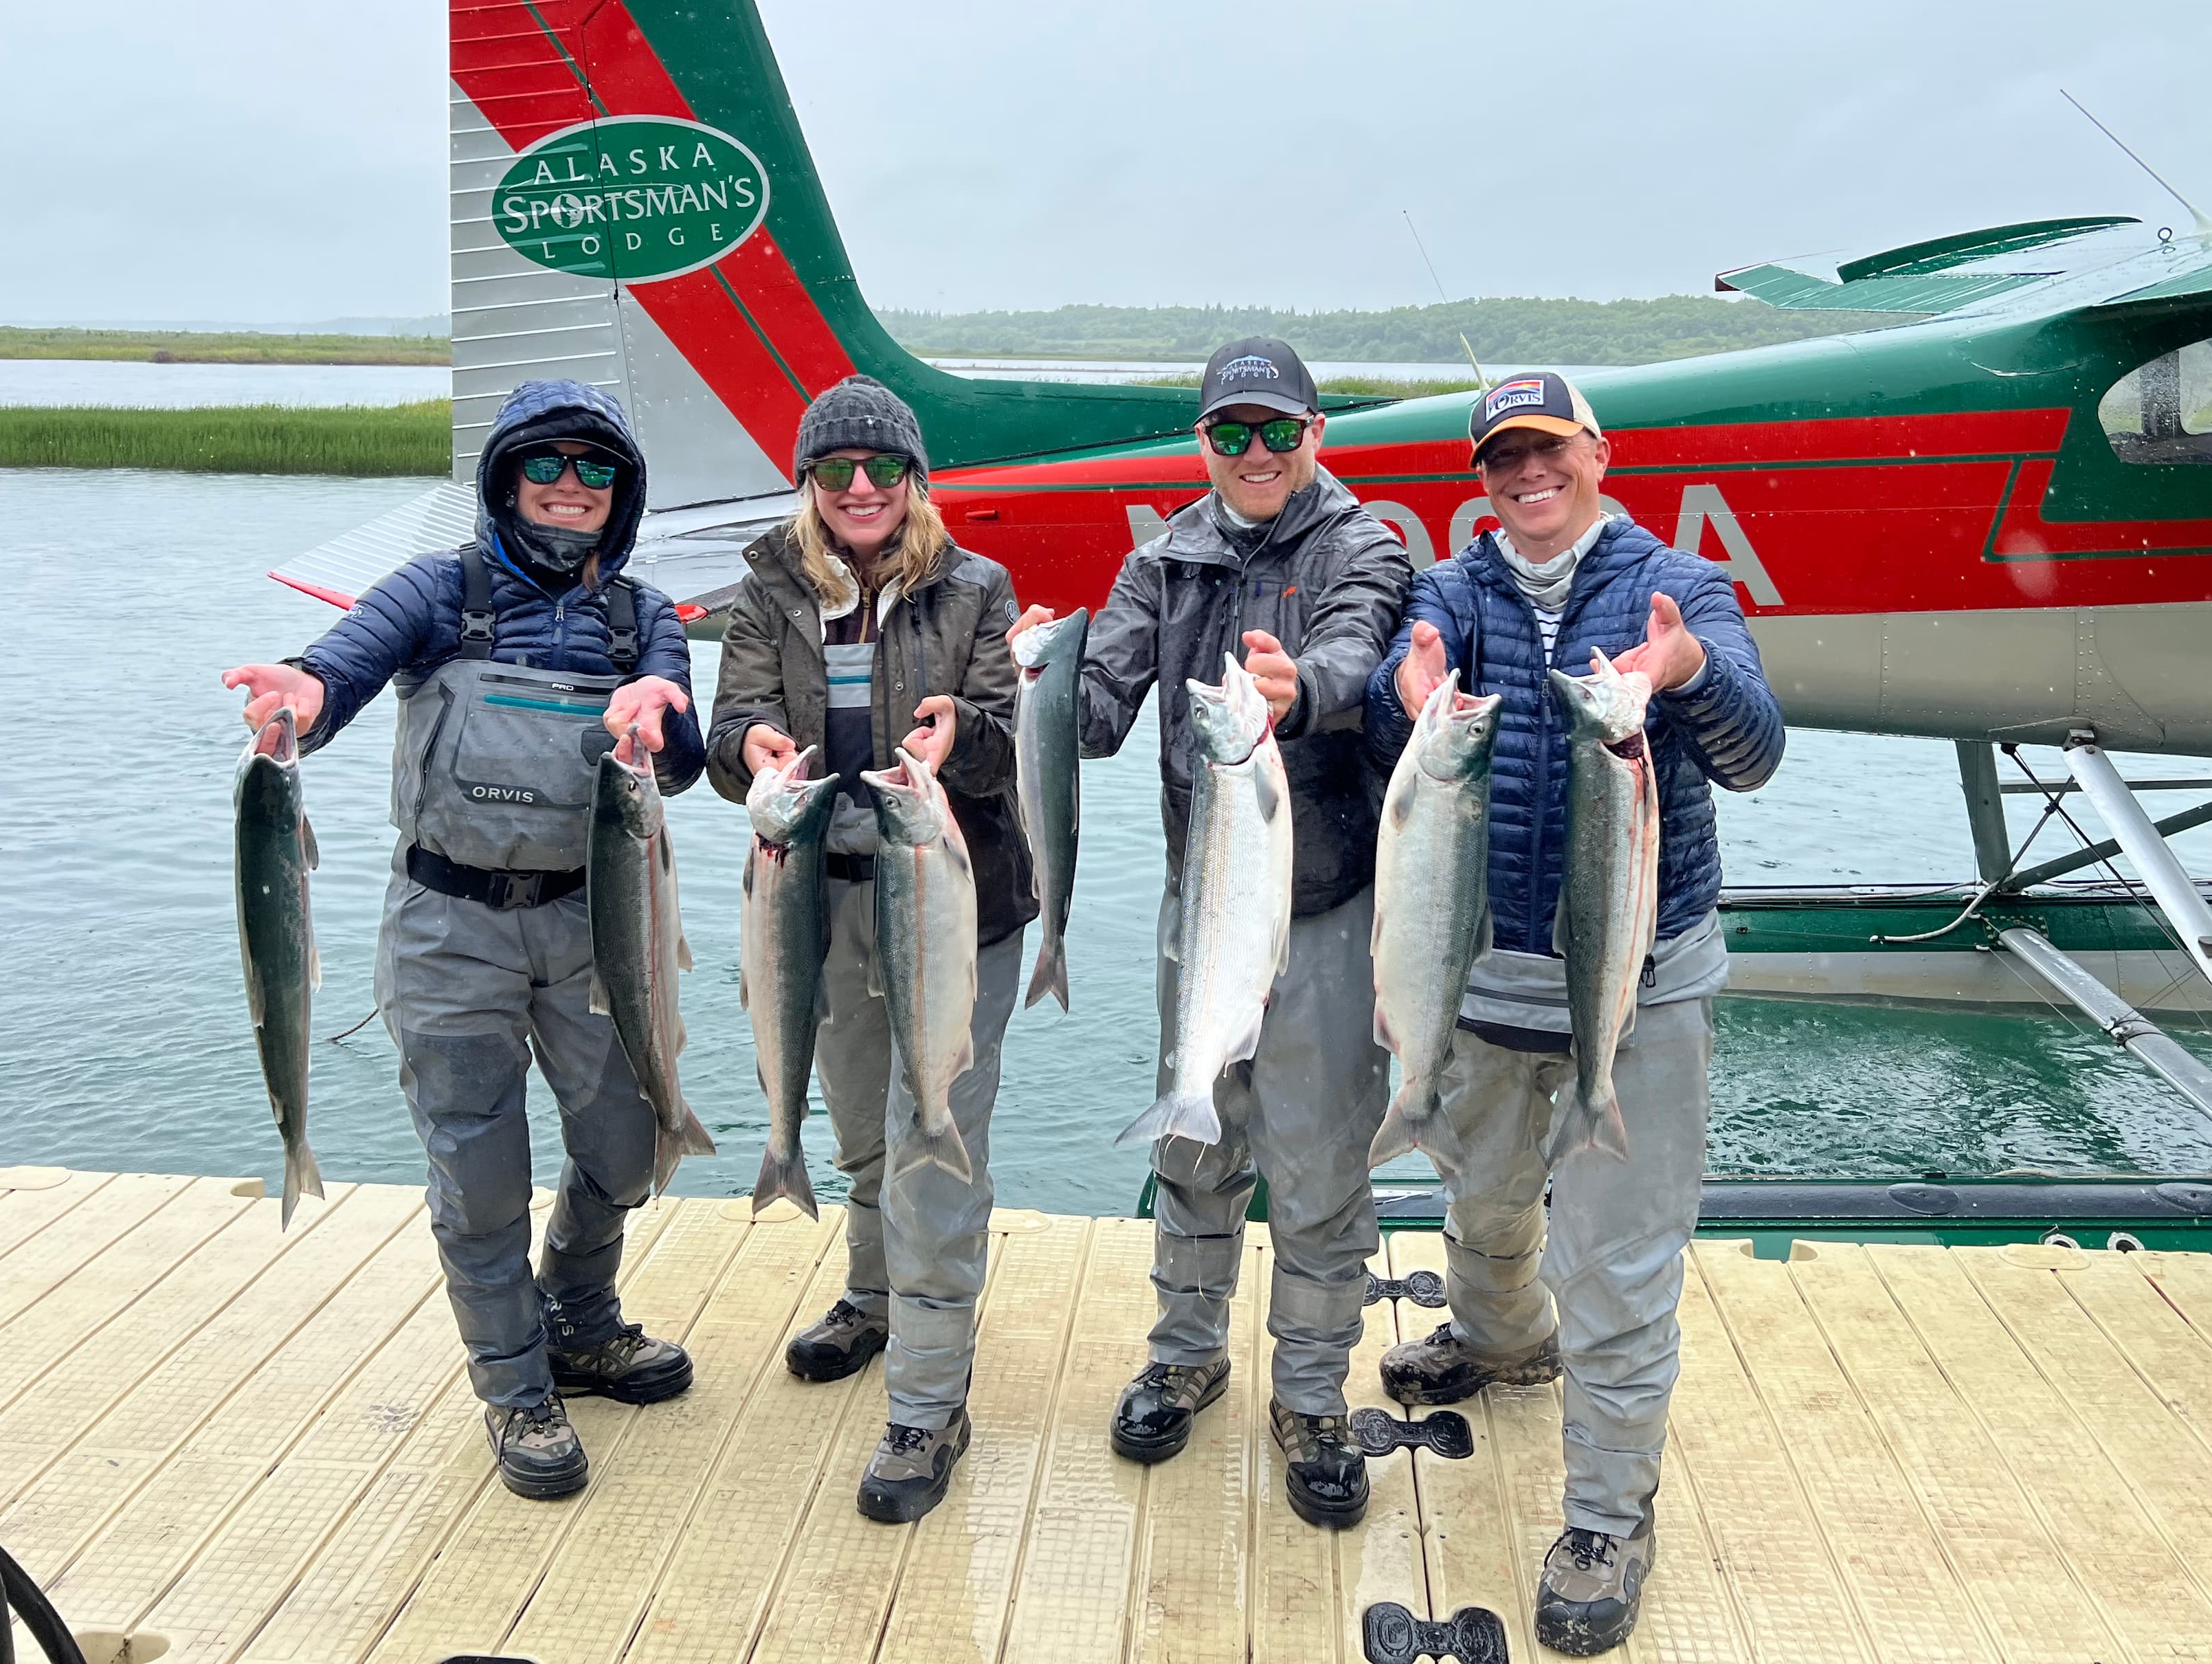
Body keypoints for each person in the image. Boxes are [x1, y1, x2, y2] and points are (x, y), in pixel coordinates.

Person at [222, 378, 707, 1502]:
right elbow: (340, 670)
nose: (570, 487)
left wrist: (658, 715)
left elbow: (681, 761)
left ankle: (580, 1320)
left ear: (622, 492)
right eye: (547, 464)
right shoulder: (437, 592)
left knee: (632, 1145)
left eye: (597, 468)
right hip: (450, 929)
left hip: (600, 923)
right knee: (480, 1170)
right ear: (504, 478)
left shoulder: (648, 616)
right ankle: (515, 1384)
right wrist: (304, 689)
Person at [1364, 371, 1784, 1654]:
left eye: (1549, 452)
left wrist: (1690, 672)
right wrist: (1411, 683)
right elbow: (1408, 667)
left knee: (1617, 1265)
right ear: (1482, 479)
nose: (1527, 478)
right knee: (1484, 1207)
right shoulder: (1455, 585)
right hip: (1485, 987)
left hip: (1638, 987)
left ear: (1600, 455)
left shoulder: (1678, 582)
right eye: (1503, 460)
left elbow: (1756, 752)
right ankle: (1500, 1343)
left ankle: (1607, 1516)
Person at [1012, 338, 1411, 1529]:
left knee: (1324, 1163)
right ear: (1203, 445)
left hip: (1330, 903)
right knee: (1195, 1138)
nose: (1255, 454)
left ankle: (1310, 1394)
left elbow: (1361, 645)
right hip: (1205, 900)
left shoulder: (1366, 542)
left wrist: (1307, 689)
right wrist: (1035, 673)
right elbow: (1093, 716)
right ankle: (1186, 1354)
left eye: (1276, 431)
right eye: (1230, 434)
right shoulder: (1164, 560)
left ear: (1315, 435)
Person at [706, 374, 1038, 1526]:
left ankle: (929, 1402)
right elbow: (726, 729)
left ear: (914, 480)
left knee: (933, 1133)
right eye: (836, 470)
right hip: (817, 898)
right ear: (810, 482)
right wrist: (746, 744)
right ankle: (874, 1293)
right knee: (858, 1122)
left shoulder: (977, 588)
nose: (860, 489)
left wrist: (971, 732)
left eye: (881, 468)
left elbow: (1006, 746)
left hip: (955, 899)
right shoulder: (767, 588)